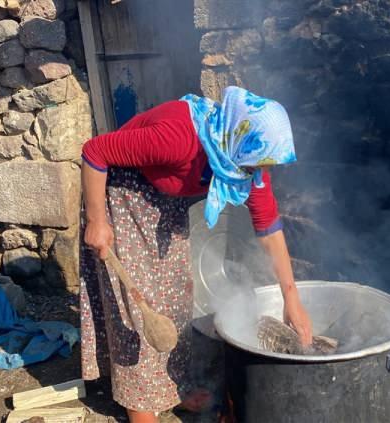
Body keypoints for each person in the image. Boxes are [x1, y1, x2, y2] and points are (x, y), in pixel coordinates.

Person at [79, 86, 313, 423]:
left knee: (176, 297)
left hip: (164, 199)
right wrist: (97, 220)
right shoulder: (178, 139)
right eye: (258, 162)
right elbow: (95, 152)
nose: (260, 170)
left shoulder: (242, 161)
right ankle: (141, 403)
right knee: (138, 306)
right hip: (121, 191)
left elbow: (268, 227)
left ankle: (173, 386)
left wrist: (292, 300)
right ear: (241, 139)